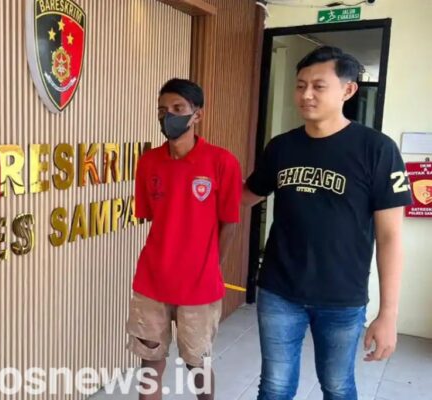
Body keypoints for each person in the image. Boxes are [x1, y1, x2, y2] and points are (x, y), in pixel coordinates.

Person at [242, 46, 412, 400]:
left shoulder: (377, 150)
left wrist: (388, 314)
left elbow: (391, 237)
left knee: (337, 386)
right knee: (274, 386)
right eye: (300, 85)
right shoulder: (281, 147)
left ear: (348, 90)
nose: (306, 94)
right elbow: (247, 194)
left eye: (318, 86)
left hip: (342, 297)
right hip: (278, 290)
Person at [126, 78, 243, 400]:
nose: (169, 116)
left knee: (197, 364)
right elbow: (152, 215)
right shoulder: (148, 162)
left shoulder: (222, 162)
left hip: (199, 286)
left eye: (178, 108)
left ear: (197, 115)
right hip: (152, 281)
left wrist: (211, 266)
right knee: (150, 362)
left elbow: (229, 224)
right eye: (162, 110)